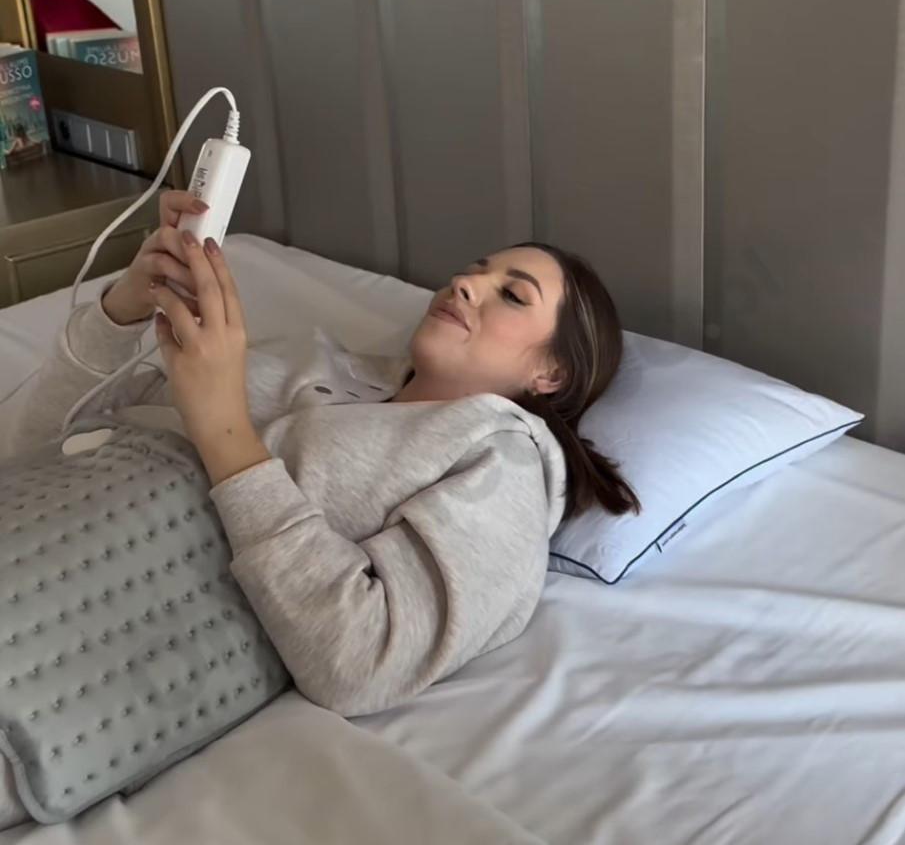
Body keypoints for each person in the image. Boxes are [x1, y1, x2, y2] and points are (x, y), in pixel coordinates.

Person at [2, 189, 639, 720]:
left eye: (512, 295)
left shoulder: (503, 463)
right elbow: (40, 439)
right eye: (476, 269)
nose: (468, 283)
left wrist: (223, 429)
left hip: (75, 598)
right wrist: (123, 308)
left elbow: (361, 664)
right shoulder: (317, 361)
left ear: (552, 374)